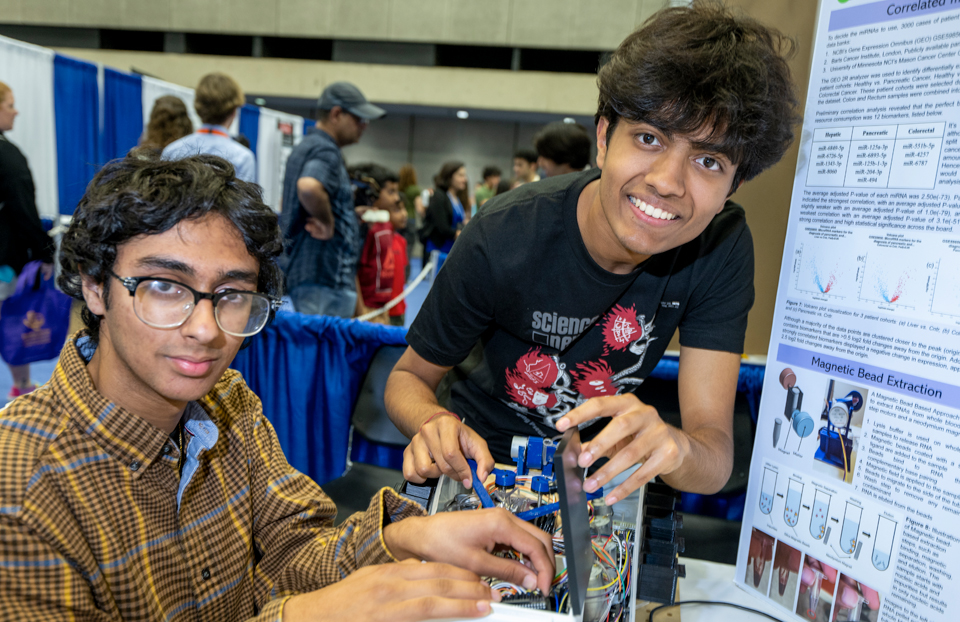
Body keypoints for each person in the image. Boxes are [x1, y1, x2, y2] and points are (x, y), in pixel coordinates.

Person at [0, 153, 555, 620]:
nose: (205, 329)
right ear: (96, 288)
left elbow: (294, 549)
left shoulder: (227, 403)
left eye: (231, 294)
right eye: (165, 287)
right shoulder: (21, 486)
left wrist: (402, 539)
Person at [385, 3, 799, 506]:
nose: (667, 182)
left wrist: (677, 449)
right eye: (649, 138)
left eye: (708, 160)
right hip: (481, 476)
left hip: (594, 496)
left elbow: (713, 458)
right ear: (604, 138)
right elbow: (407, 378)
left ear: (735, 183)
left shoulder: (721, 246)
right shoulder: (505, 232)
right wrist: (434, 424)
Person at [280, 82, 385, 318]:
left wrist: (345, 214)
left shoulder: (308, 146)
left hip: (313, 277)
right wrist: (328, 223)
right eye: (359, 119)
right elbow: (309, 186)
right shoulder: (325, 150)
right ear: (336, 114)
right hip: (324, 278)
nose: (364, 126)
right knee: (322, 352)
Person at [0, 81, 56, 401]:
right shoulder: (7, 157)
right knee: (11, 320)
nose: (16, 111)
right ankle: (21, 388)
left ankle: (20, 385)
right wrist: (45, 250)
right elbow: (24, 210)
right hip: (4, 263)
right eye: (10, 105)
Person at [353, 163, 409, 326]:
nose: (397, 198)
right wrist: (360, 309)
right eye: (391, 192)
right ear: (373, 192)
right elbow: (353, 271)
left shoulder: (386, 223)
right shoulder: (364, 227)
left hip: (383, 307)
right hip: (366, 308)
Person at [419, 161, 468, 256]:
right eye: (460, 175)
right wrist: (460, 234)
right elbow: (441, 226)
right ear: (449, 176)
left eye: (464, 176)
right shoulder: (439, 196)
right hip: (438, 249)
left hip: (451, 249)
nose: (464, 179)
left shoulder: (456, 197)